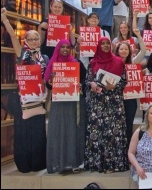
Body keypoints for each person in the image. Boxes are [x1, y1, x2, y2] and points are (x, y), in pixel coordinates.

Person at [1, 8, 48, 173]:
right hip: (23, 99)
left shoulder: (45, 58)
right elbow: (13, 36)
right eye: (31, 39)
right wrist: (5, 20)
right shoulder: (22, 54)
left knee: (38, 132)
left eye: (36, 38)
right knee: (23, 132)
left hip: (39, 99)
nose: (34, 41)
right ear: (26, 40)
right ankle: (24, 164)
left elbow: (46, 78)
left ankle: (38, 163)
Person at [84, 37, 128, 173]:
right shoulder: (92, 63)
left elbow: (124, 81)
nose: (104, 46)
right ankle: (98, 164)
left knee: (114, 133)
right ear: (98, 46)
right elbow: (88, 80)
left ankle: (114, 164)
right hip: (98, 103)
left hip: (114, 102)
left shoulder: (119, 61)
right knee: (98, 132)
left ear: (111, 46)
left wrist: (114, 86)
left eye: (107, 44)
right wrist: (91, 84)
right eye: (102, 44)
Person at [44, 39, 86, 173]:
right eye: (62, 47)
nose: (65, 49)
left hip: (73, 103)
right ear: (58, 48)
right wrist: (52, 80)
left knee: (72, 131)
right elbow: (48, 84)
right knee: (58, 131)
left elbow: (84, 80)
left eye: (68, 47)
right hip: (58, 103)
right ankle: (58, 163)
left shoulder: (76, 63)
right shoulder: (53, 65)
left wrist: (81, 86)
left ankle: (73, 162)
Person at [115, 28, 146, 146]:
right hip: (117, 99)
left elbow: (143, 51)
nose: (123, 51)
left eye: (126, 49)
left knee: (129, 124)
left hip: (130, 100)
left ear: (129, 51)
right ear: (117, 50)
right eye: (121, 49)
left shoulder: (133, 62)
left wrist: (138, 35)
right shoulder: (112, 63)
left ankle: (128, 149)